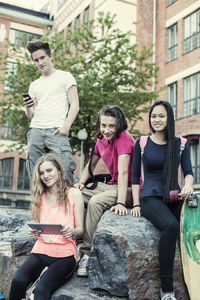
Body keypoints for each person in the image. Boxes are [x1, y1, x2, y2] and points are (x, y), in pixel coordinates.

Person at [131, 101, 194, 300]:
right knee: (171, 226)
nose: (156, 120)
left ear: (169, 118)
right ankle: (167, 290)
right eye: (153, 116)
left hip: (174, 196)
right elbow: (134, 178)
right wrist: (136, 204)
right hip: (150, 198)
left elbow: (189, 173)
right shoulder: (141, 143)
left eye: (161, 116)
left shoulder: (180, 144)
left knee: (192, 227)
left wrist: (188, 185)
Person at [9, 153, 84, 300]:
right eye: (42, 173)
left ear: (59, 170)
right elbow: (40, 226)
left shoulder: (74, 193)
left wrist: (72, 231)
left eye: (49, 170)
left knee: (41, 290)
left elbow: (81, 230)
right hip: (41, 250)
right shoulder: (40, 196)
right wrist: (35, 232)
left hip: (65, 255)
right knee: (18, 280)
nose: (45, 175)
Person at [74, 105, 135, 276]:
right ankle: (74, 240)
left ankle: (86, 253)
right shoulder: (101, 139)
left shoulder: (124, 138)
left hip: (130, 188)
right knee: (73, 193)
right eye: (103, 125)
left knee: (95, 202)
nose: (107, 130)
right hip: (111, 184)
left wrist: (121, 202)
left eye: (111, 126)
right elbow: (91, 164)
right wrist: (80, 183)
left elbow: (124, 173)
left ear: (119, 125)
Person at [24, 40, 79, 184]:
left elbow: (75, 104)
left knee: (65, 167)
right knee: (34, 171)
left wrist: (66, 126)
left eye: (42, 58)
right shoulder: (34, 85)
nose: (40, 62)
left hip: (56, 129)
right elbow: (30, 115)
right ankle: (39, 205)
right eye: (36, 60)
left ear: (50, 56)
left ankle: (67, 204)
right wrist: (28, 107)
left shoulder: (65, 76)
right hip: (36, 129)